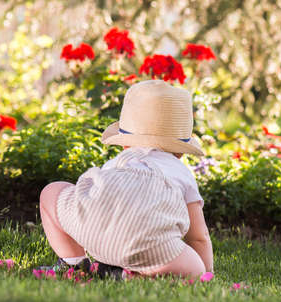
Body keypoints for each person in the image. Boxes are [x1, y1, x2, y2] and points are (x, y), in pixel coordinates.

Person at [39, 80, 213, 280]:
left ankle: (74, 262)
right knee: (194, 267)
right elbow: (199, 238)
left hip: (94, 235)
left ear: (125, 144)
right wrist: (206, 272)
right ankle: (129, 276)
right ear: (181, 152)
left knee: (51, 192)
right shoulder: (181, 173)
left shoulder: (117, 163)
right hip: (148, 248)